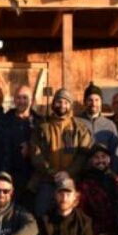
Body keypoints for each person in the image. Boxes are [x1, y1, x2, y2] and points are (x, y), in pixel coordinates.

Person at [29, 88, 92, 216]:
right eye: (59, 101)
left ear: (70, 105)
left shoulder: (80, 128)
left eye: (66, 102)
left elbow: (83, 155)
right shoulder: (42, 126)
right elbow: (36, 154)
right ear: (53, 104)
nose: (62, 105)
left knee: (70, 218)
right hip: (46, 181)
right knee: (42, 215)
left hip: (71, 182)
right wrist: (53, 173)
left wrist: (68, 173)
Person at [0, 84, 41, 207]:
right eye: (18, 97)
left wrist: (31, 147)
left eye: (25, 97)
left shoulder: (39, 122)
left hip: (32, 177)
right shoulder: (2, 121)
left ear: (31, 100)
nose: (21, 101)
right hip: (8, 175)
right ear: (14, 99)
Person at [78, 83, 118, 170]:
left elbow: (115, 153)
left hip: (103, 172)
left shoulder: (109, 125)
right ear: (85, 102)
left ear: (101, 102)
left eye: (97, 100)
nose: (93, 103)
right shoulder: (76, 122)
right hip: (81, 172)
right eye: (90, 100)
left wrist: (112, 172)